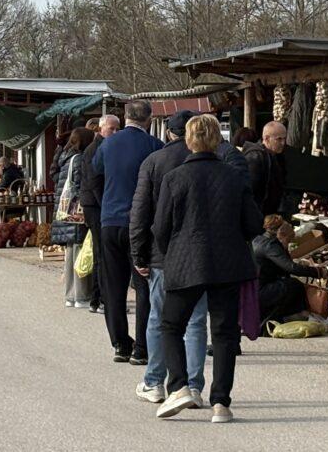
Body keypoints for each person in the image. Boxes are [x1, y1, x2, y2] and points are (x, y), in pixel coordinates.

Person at [153, 115, 263, 424]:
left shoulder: (174, 178)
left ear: (188, 140)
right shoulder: (233, 177)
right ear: (217, 139)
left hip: (186, 260)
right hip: (228, 262)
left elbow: (160, 228)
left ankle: (178, 387)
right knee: (225, 333)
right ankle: (221, 404)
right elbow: (253, 224)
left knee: (172, 325)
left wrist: (170, 253)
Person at [131, 110, 209, 406]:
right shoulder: (209, 162)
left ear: (169, 133)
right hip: (198, 255)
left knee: (159, 318)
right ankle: (194, 386)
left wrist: (139, 253)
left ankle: (154, 382)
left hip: (161, 254)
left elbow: (140, 213)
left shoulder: (153, 162)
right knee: (196, 322)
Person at [93, 101, 162, 364]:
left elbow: (96, 172)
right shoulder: (155, 146)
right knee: (143, 284)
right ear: (149, 118)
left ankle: (120, 343)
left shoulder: (107, 144)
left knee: (113, 286)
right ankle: (142, 347)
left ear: (125, 117)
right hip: (141, 224)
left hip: (110, 220)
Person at [253, 215, 328, 324]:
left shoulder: (259, 239)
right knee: (294, 285)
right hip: (261, 291)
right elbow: (291, 268)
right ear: (282, 232)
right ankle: (272, 319)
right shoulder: (271, 245)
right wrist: (318, 272)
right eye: (289, 237)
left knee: (288, 283)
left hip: (253, 289)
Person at [53, 127, 96, 308]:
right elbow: (79, 186)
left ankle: (70, 295)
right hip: (77, 214)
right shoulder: (79, 159)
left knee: (71, 254)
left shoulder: (65, 157)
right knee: (81, 252)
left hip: (66, 214)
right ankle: (82, 295)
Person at [80, 114, 119, 313]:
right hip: (96, 206)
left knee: (100, 251)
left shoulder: (105, 147)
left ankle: (97, 298)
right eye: (111, 129)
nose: (114, 132)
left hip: (97, 204)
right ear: (101, 129)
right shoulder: (95, 149)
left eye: (116, 128)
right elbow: (94, 181)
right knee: (101, 253)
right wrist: (106, 207)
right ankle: (101, 298)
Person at [242, 121, 287, 215]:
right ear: (266, 138)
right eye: (279, 139)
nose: (283, 143)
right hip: (258, 215)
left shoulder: (275, 155)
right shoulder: (255, 157)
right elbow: (249, 191)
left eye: (284, 139)